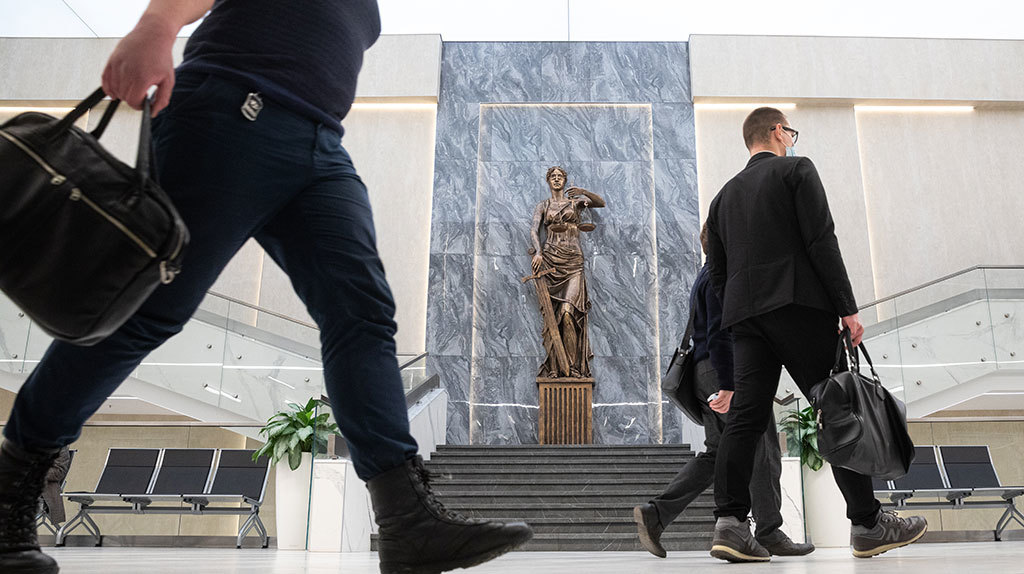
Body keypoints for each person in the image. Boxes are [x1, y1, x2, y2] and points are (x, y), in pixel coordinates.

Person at [0, 2, 531, 573]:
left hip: (321, 145)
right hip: (235, 106)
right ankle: (9, 494)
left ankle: (407, 522)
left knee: (362, 316)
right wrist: (157, 26)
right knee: (148, 309)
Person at [704, 107, 927, 563]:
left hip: (746, 319)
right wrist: (847, 307)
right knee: (835, 408)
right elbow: (821, 239)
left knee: (746, 419)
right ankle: (868, 524)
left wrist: (739, 314)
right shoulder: (796, 170)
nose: (792, 139)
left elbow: (718, 273)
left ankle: (730, 524)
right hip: (799, 305)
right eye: (790, 131)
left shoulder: (723, 197)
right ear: (777, 132)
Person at [633, 224, 812, 559]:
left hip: (705, 372)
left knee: (718, 454)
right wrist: (729, 382)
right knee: (762, 446)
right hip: (726, 371)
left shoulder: (705, 275)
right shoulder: (722, 276)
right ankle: (769, 531)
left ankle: (657, 513)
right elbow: (719, 330)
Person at [529, 166, 605, 378]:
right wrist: (538, 252)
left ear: (564, 180)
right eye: (552, 176)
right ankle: (556, 366)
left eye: (559, 176)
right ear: (548, 181)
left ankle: (572, 367)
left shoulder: (575, 203)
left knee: (568, 313)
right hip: (551, 261)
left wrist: (583, 192)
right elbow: (534, 229)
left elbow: (600, 203)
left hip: (573, 262)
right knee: (553, 318)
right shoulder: (543, 206)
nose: (556, 179)